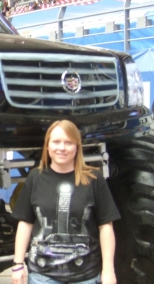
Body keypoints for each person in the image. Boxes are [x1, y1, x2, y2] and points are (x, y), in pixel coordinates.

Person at [11, 120, 120, 284]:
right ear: (47, 146)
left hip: (86, 277)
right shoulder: (35, 178)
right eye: (56, 142)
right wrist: (18, 264)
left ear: (77, 147)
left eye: (68, 143)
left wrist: (108, 270)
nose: (61, 148)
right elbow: (25, 223)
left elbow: (106, 226)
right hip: (43, 277)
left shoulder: (93, 179)